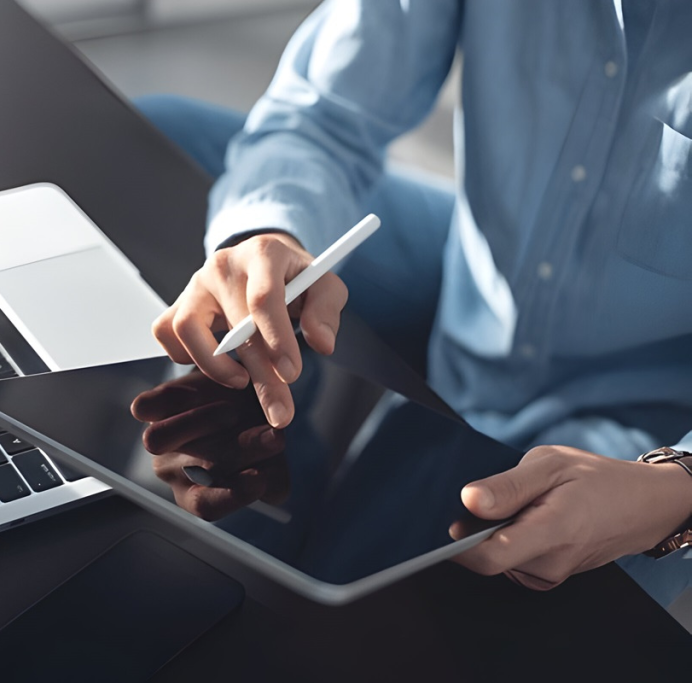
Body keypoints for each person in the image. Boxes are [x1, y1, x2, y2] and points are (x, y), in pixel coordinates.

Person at [137, 0, 692, 607]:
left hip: (649, 420)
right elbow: (323, 115)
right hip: (480, 266)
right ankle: (277, 452)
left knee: (425, 617)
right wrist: (269, 235)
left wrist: (678, 487)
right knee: (158, 134)